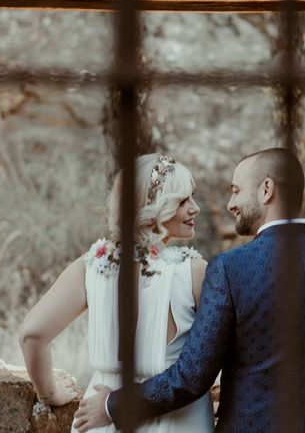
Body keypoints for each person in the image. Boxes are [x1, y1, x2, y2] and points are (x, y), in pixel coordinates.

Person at [81, 147, 305, 432]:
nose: (230, 204)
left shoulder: (228, 268)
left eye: (236, 190)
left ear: (267, 189)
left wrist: (113, 404)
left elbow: (192, 377)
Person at [18, 153, 215, 433]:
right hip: (178, 419)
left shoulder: (91, 266)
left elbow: (32, 334)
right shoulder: (194, 273)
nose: (195, 208)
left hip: (99, 417)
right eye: (182, 201)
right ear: (154, 208)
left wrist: (50, 393)